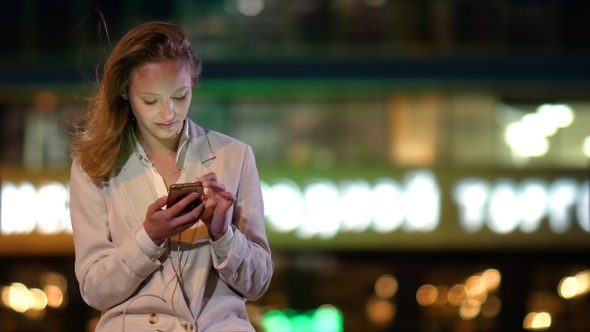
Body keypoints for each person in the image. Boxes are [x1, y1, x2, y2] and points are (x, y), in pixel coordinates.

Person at [68, 21, 273, 331]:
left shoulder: (236, 156)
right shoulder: (93, 165)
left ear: (192, 84)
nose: (168, 113)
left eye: (179, 97)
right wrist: (148, 238)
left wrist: (223, 234)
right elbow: (95, 291)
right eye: (150, 100)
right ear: (124, 92)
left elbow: (258, 284)